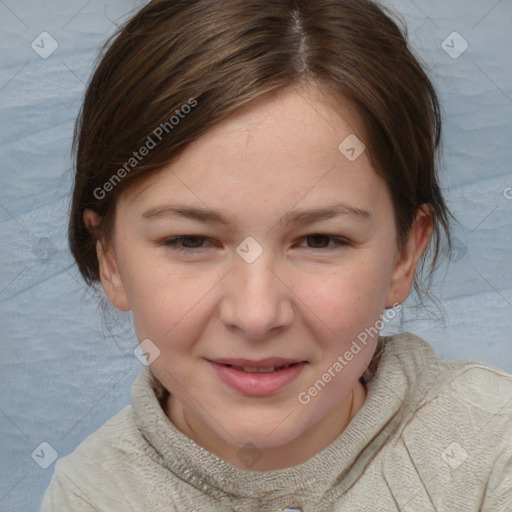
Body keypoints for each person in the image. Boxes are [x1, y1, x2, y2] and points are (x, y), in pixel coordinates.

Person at [40, 0, 512, 510]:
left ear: (404, 254)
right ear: (109, 258)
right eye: (191, 241)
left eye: (320, 240)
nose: (257, 314)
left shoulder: (492, 454)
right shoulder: (89, 497)